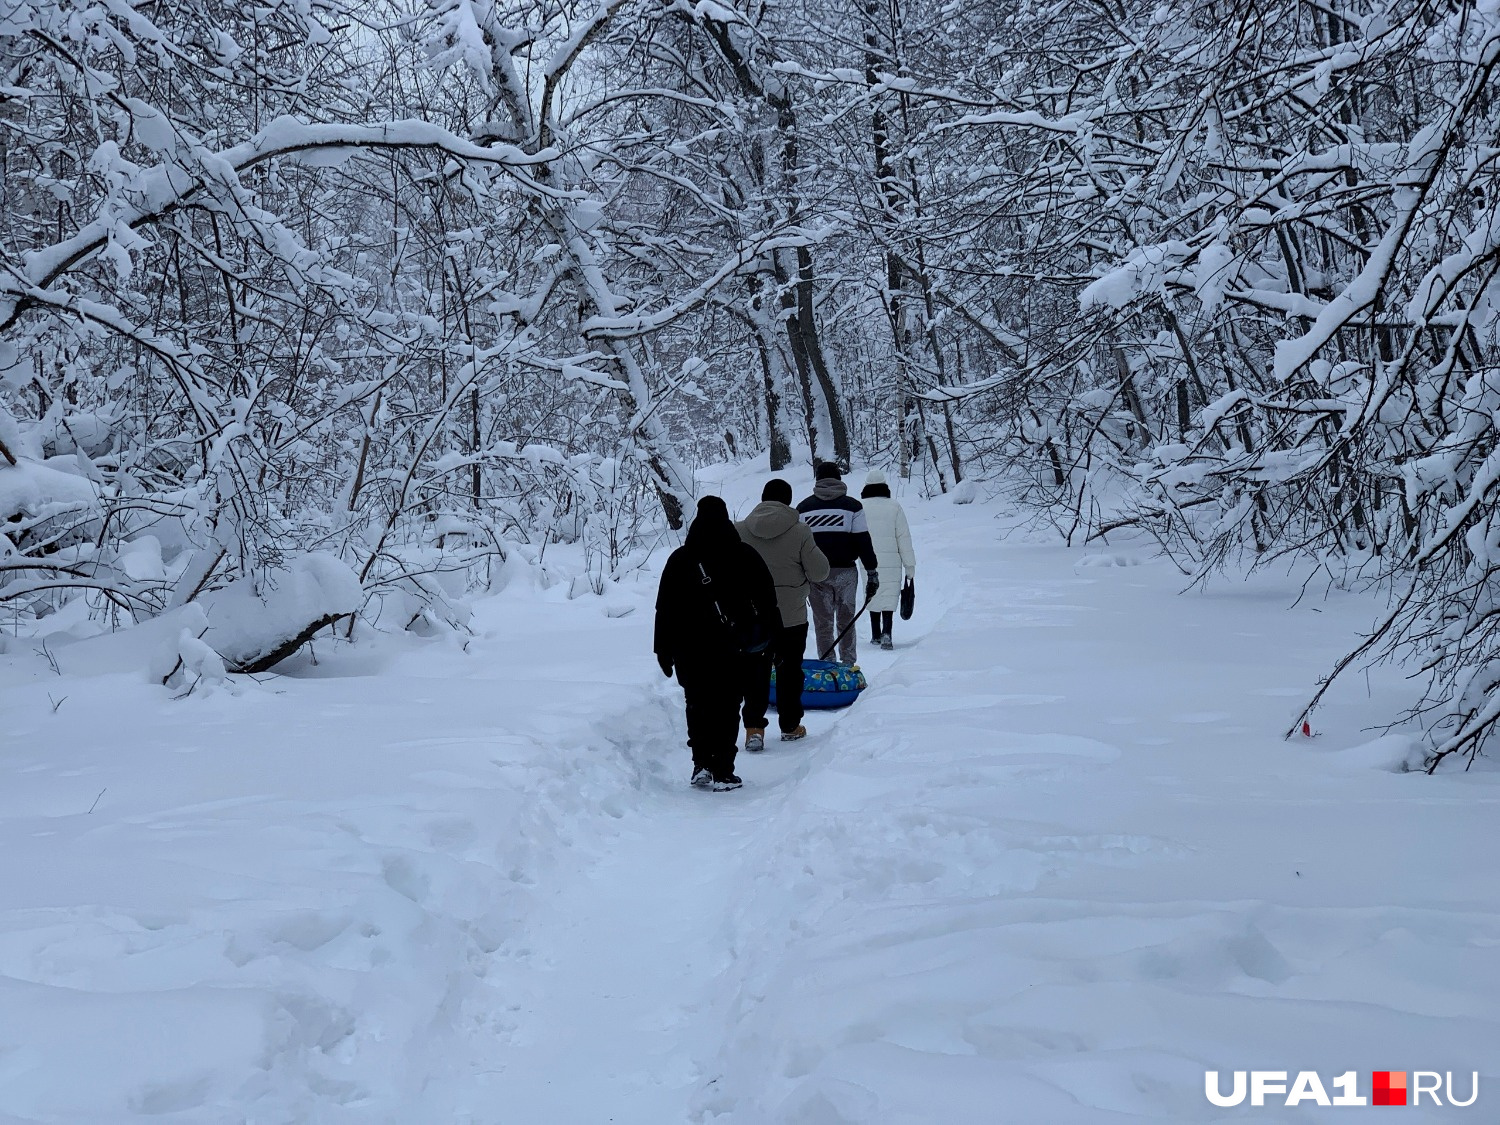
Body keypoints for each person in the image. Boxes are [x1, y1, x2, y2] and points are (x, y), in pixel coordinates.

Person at [654, 496, 778, 791]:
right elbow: (768, 601)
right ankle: (723, 769)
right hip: (734, 647)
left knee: (696, 704)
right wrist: (773, 638)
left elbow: (665, 608)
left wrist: (663, 649)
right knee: (727, 705)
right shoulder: (746, 555)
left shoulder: (680, 559)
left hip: (689, 649)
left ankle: (701, 764)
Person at [737, 478, 831, 750]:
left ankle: (754, 728)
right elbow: (820, 572)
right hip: (790, 616)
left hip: (752, 616)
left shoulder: (739, 529)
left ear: (762, 498)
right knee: (789, 671)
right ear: (788, 501)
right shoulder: (800, 532)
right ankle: (790, 726)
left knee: (755, 672)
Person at [796, 462, 879, 665]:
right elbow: (863, 541)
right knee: (847, 621)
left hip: (817, 574)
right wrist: (872, 571)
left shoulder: (803, 508)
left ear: (817, 480)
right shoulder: (853, 506)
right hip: (846, 573)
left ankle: (827, 666)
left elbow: (798, 545)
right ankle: (848, 666)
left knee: (822, 623)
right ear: (839, 479)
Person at [859, 469, 915, 650]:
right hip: (892, 560)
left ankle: (875, 634)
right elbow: (903, 538)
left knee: (872, 593)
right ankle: (887, 634)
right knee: (889, 594)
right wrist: (910, 565)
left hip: (867, 559)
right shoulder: (895, 507)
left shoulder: (860, 507)